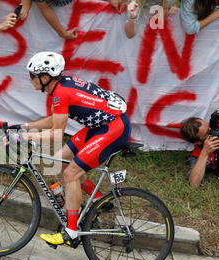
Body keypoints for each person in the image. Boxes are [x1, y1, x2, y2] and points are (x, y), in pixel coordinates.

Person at [9, 51, 131, 246]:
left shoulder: (60, 92)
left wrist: (23, 137)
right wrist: (25, 127)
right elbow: (56, 118)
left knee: (71, 173)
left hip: (113, 129)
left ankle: (71, 232)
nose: (30, 79)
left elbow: (57, 133)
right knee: (60, 161)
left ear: (45, 77)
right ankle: (98, 202)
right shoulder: (61, 85)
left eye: (33, 75)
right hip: (102, 127)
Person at [180, 113, 219, 186]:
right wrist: (205, 152)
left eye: (210, 126)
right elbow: (194, 183)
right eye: (208, 133)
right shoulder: (199, 152)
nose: (213, 131)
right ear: (198, 142)